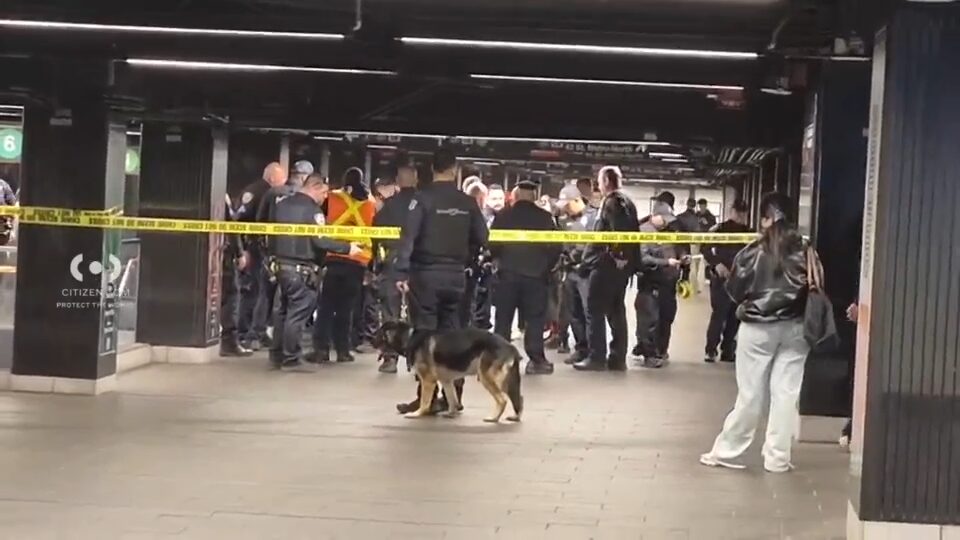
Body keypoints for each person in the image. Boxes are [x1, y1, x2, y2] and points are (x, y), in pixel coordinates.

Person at [700, 192, 812, 473]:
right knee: (786, 394)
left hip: (758, 328)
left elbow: (735, 289)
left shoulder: (752, 250)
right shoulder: (807, 249)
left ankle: (727, 450)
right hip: (797, 328)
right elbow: (818, 284)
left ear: (764, 219)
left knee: (750, 394)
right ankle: (777, 458)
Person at [393, 146, 488, 414]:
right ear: (455, 170)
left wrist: (401, 272)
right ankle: (453, 396)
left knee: (425, 336)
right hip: (456, 277)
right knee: (453, 336)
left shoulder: (421, 200)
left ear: (432, 170)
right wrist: (467, 257)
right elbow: (483, 237)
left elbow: (408, 237)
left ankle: (427, 398)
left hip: (425, 276)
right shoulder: (467, 203)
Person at [268, 174, 362, 371]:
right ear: (315, 187)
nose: (325, 197)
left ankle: (277, 355)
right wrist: (347, 248)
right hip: (301, 268)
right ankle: (291, 359)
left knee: (282, 313)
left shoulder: (282, 205)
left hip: (281, 266)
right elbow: (320, 240)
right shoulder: (313, 210)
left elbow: (270, 234)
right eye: (324, 193)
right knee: (297, 313)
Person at [490, 179, 562, 375]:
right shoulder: (545, 217)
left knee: (503, 320)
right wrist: (546, 267)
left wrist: (499, 260)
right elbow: (556, 246)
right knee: (535, 320)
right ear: (534, 196)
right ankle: (536, 360)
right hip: (535, 277)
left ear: (516, 195)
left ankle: (499, 361)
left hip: (507, 275)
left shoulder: (503, 216)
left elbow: (492, 243)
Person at [573, 166, 640, 372]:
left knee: (594, 310)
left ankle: (597, 357)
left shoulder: (613, 202)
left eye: (600, 181)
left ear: (607, 182)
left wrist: (619, 255)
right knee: (616, 311)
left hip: (606, 266)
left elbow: (618, 231)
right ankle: (617, 358)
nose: (598, 186)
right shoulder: (626, 201)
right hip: (617, 268)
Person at [312, 167, 377, 363]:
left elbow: (319, 220)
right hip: (358, 261)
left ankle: (321, 350)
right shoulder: (370, 203)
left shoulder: (332, 197)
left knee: (326, 307)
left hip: (334, 257)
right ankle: (343, 350)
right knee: (346, 308)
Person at [236, 162, 288, 350]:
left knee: (264, 293)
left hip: (263, 249)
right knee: (254, 292)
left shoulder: (268, 193)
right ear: (272, 177)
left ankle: (259, 329)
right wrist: (243, 250)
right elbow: (240, 222)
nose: (284, 183)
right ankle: (246, 332)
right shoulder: (258, 192)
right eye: (282, 179)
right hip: (255, 249)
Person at [371, 164, 418, 373]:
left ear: (398, 182)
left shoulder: (389, 206)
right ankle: (418, 358)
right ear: (416, 180)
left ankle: (390, 358)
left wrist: (375, 263)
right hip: (419, 266)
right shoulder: (424, 203)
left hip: (392, 264)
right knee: (419, 315)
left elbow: (375, 234)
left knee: (390, 314)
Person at [632, 199, 683, 369]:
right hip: (650, 283)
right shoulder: (644, 231)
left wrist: (682, 257)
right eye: (665, 219)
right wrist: (666, 262)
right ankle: (649, 354)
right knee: (649, 320)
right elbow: (643, 259)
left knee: (666, 318)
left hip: (668, 284)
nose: (667, 222)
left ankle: (661, 350)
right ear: (655, 216)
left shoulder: (668, 230)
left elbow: (677, 248)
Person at [702, 200, 752, 363]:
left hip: (740, 280)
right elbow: (705, 247)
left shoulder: (749, 233)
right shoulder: (719, 229)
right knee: (719, 314)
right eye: (738, 212)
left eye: (743, 213)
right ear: (732, 212)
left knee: (734, 316)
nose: (740, 216)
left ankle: (728, 350)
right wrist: (716, 263)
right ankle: (711, 350)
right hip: (721, 278)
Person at [556, 184, 599, 365]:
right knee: (574, 313)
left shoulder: (594, 218)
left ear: (577, 200)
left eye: (567, 205)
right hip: (570, 271)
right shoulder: (565, 220)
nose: (565, 209)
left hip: (588, 273)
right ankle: (581, 349)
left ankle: (594, 352)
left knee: (590, 313)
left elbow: (595, 246)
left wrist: (582, 260)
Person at [220, 195, 252, 357]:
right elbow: (231, 226)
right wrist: (239, 253)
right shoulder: (221, 198)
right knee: (231, 296)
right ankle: (229, 341)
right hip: (222, 256)